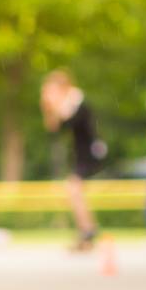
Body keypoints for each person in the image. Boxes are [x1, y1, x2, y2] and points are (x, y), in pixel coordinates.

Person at [41, 70, 105, 252]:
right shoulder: (68, 104)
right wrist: (49, 108)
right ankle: (87, 230)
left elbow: (70, 121)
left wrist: (54, 106)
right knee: (74, 191)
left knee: (73, 188)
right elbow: (54, 130)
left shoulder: (77, 101)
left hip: (91, 152)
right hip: (80, 153)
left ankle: (88, 230)